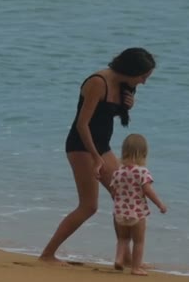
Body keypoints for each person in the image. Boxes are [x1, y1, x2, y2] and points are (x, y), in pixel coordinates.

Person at [39, 47, 157, 265]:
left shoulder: (124, 85)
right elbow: (82, 125)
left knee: (123, 196)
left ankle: (125, 257)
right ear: (131, 70)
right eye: (142, 77)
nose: (143, 82)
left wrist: (127, 106)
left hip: (102, 146)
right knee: (88, 206)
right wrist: (95, 157)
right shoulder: (97, 82)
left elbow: (108, 116)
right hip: (82, 146)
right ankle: (47, 255)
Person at [110, 133, 166, 275]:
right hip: (137, 213)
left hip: (119, 212)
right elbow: (147, 190)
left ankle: (119, 259)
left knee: (123, 239)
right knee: (138, 241)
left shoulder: (118, 172)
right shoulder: (142, 172)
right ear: (143, 153)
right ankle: (136, 268)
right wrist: (160, 204)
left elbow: (114, 191)